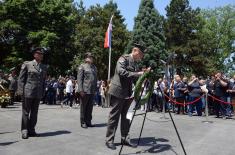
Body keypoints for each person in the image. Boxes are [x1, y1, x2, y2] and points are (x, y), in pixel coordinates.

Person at [105, 43, 150, 150]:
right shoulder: (123, 58)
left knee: (126, 117)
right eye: (141, 55)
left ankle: (124, 138)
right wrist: (138, 74)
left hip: (128, 93)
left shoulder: (134, 63)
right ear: (135, 51)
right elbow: (121, 72)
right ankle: (109, 140)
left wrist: (144, 75)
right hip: (118, 91)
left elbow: (134, 78)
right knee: (114, 116)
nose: (141, 57)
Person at [17, 47, 47, 139]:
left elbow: (43, 81)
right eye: (39, 53)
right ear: (35, 54)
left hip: (38, 93)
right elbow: (21, 79)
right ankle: (24, 130)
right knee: (26, 112)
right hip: (28, 92)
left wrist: (42, 92)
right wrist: (21, 91)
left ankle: (31, 129)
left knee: (34, 113)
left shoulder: (43, 67)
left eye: (42, 54)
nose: (41, 55)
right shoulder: (27, 64)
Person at [77, 52, 97, 128]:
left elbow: (95, 79)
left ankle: (88, 121)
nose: (91, 58)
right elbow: (79, 79)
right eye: (90, 57)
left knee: (90, 107)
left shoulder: (94, 67)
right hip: (85, 90)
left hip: (92, 91)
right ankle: (83, 122)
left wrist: (95, 90)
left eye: (92, 57)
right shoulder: (82, 66)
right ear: (86, 58)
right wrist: (80, 90)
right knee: (83, 107)